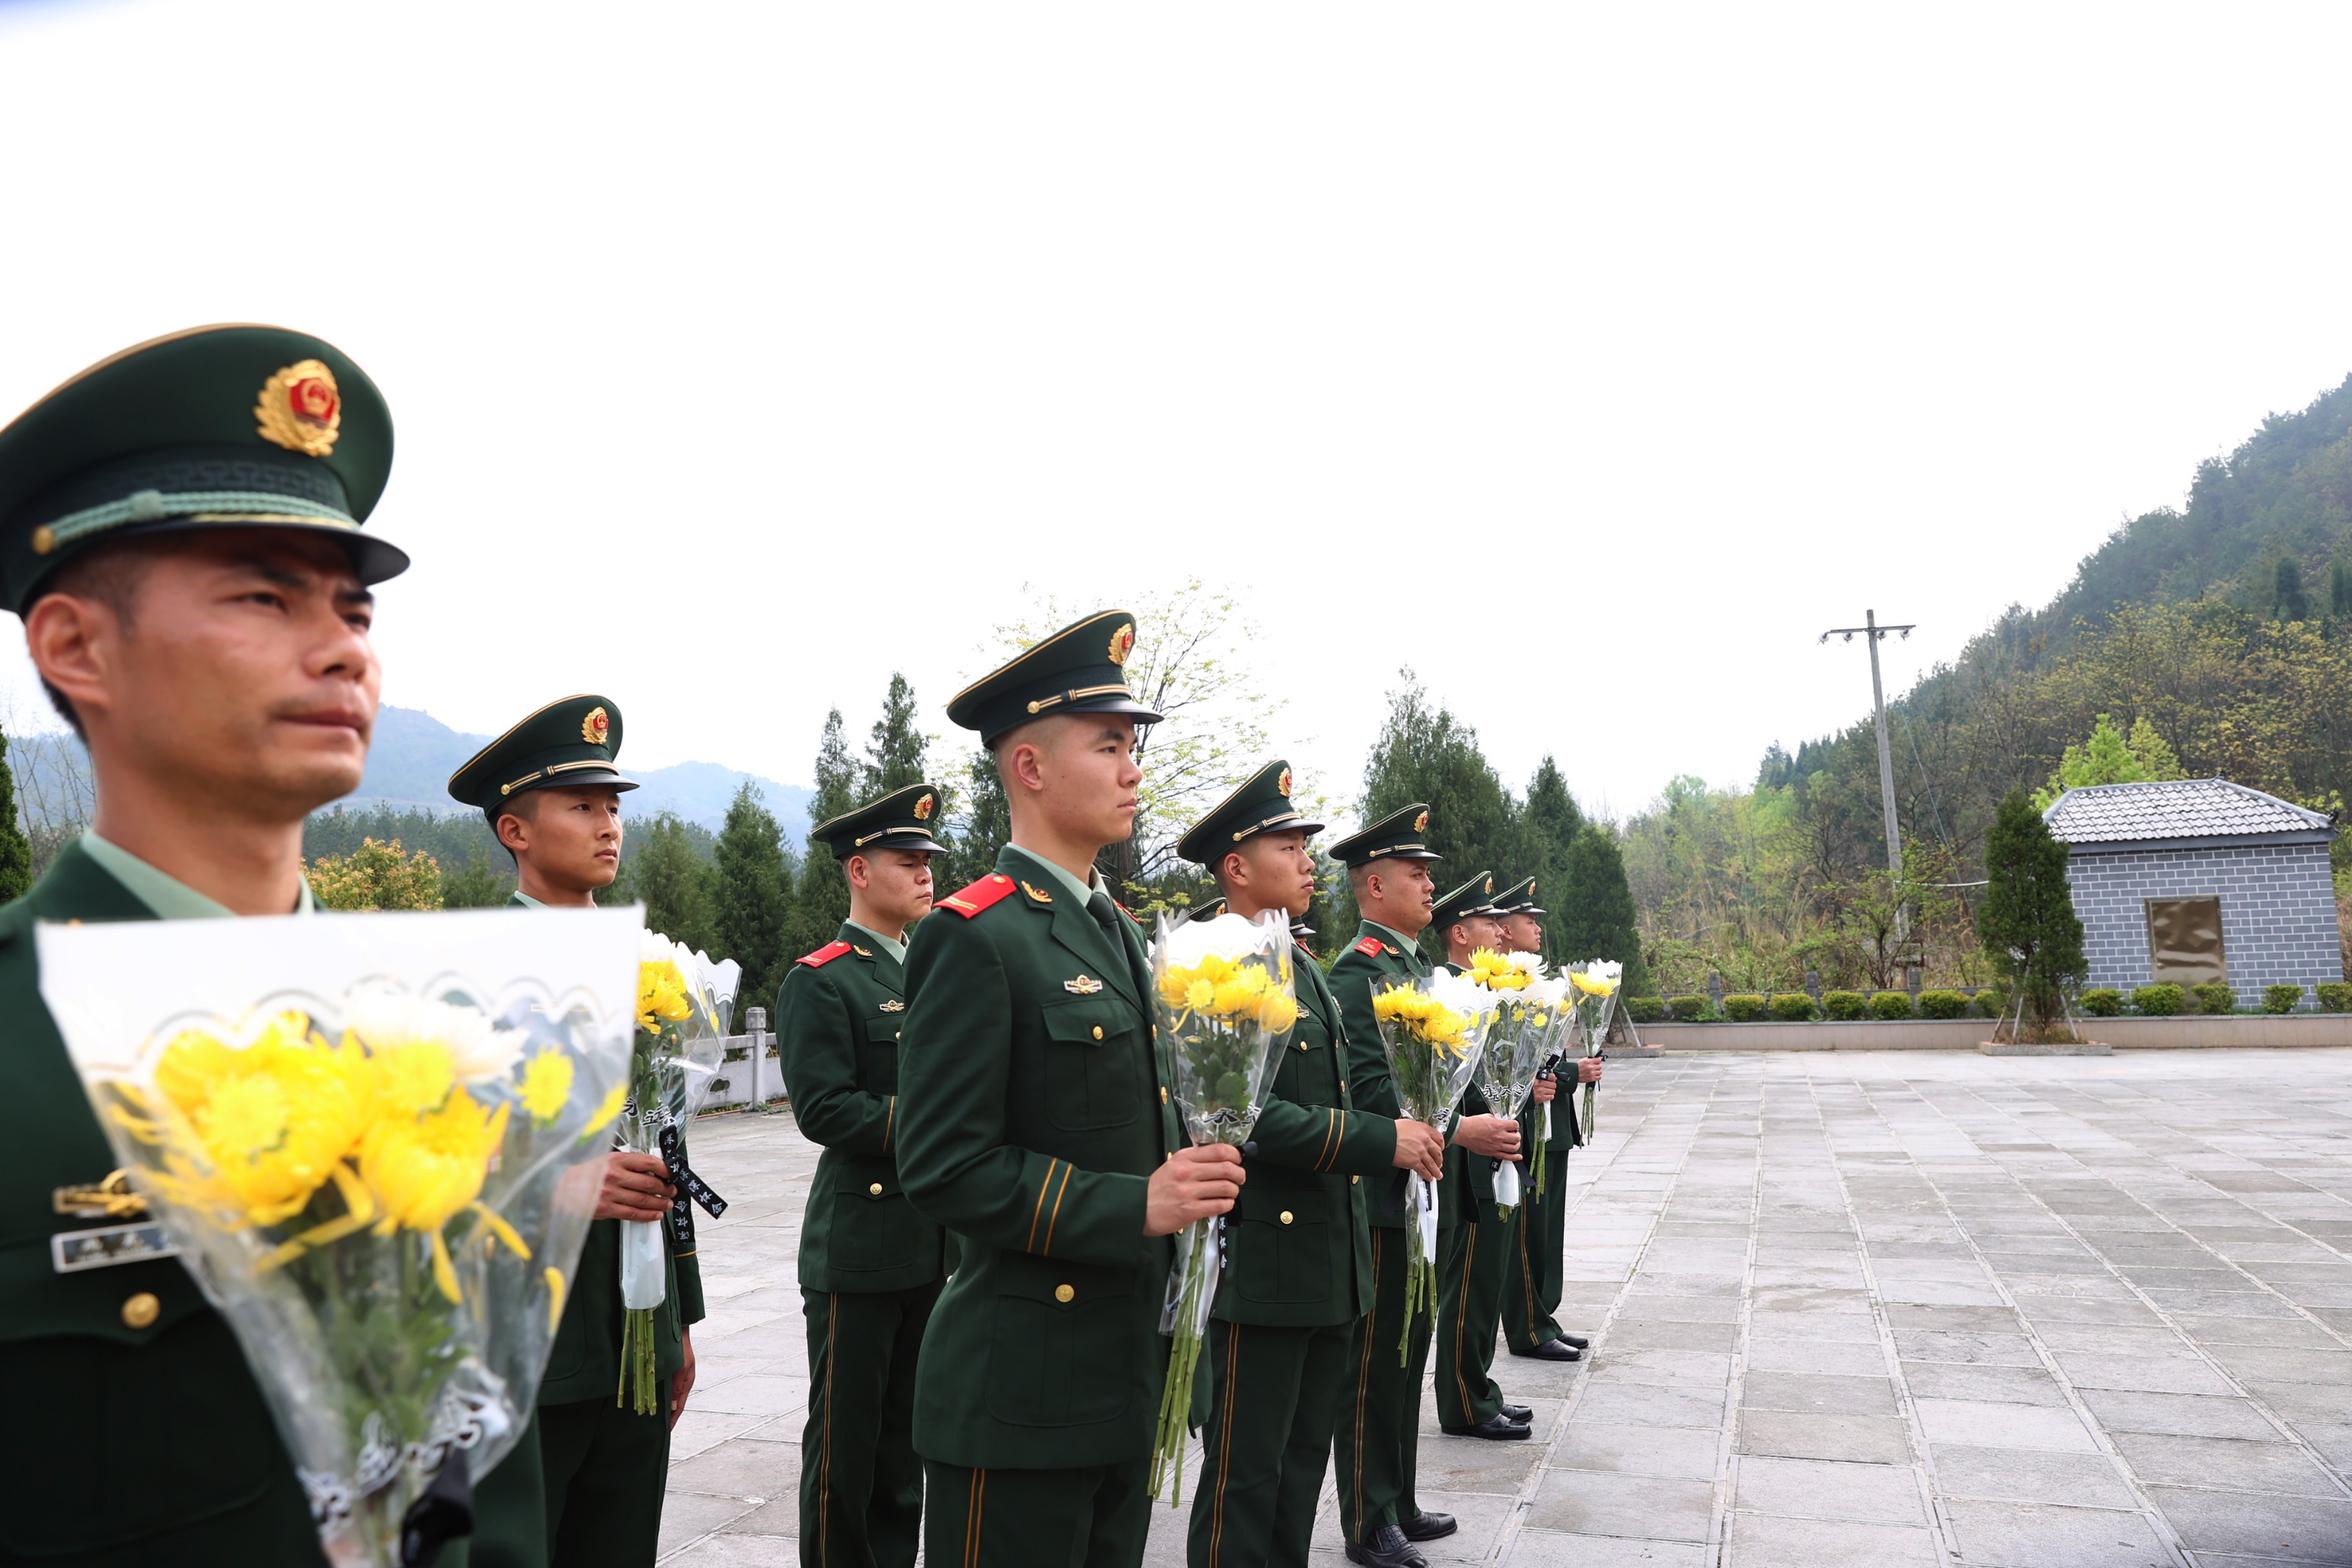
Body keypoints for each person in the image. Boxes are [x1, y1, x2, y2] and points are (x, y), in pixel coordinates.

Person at [0, 323, 407, 1564]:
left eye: (352, 606)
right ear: (75, 646)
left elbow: (480, 1499)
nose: (342, 646)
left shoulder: (423, 1027)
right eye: (261, 595)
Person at [892, 610, 1243, 1567]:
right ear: (1031, 768)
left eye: (1133, 746)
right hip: (1020, 1394)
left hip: (1120, 1377)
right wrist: (1139, 1203)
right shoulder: (976, 933)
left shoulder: (1118, 931)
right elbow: (943, 1166)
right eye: (1110, 745)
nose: (1135, 769)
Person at [446, 695, 704, 1568]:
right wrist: (555, 1188)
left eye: (615, 805)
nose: (609, 826)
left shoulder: (650, 971)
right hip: (529, 1350)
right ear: (515, 829)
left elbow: (667, 1147)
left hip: (636, 1336)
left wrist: (680, 1323)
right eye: (583, 806)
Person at [1174, 763, 1445, 1568]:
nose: (1303, 859)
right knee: (1244, 1479)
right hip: (1263, 1260)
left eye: (1302, 843)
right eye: (1286, 844)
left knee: (1298, 1473)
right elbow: (1238, 1117)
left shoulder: (1303, 968)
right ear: (1235, 865)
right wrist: (1381, 1139)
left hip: (1328, 1261)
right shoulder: (1210, 967)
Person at [777, 782, 954, 1568]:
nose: (925, 875)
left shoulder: (939, 969)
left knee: (906, 1445)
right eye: (907, 860)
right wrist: (940, 1134)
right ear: (858, 869)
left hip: (935, 1240)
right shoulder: (823, 978)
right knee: (845, 1450)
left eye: (929, 861)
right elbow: (824, 1108)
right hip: (861, 1240)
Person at [1323, 805, 1454, 1568]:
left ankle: (1399, 1496)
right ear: (1374, 884)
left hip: (1419, 1186)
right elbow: (1369, 1091)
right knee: (1374, 1363)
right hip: (1379, 1191)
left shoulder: (1411, 969)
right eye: (1417, 872)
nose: (1430, 883)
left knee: (1411, 1347)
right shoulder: (1358, 972)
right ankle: (1369, 1517)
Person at [1425, 875, 1535, 1443]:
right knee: (1467, 1283)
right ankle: (1464, 1400)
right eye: (1490, 922)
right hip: (1466, 1155)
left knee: (1487, 1278)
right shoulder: (1447, 989)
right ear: (1461, 933)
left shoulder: (1489, 988)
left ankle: (1480, 1386)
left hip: (1493, 1146)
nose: (1502, 929)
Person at [1490, 877, 1600, 1365]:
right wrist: (1569, 1072)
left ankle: (1543, 1317)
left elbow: (1543, 1059)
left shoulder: (1539, 984)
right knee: (1525, 1233)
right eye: (1527, 921)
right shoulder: (1497, 987)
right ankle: (1528, 1325)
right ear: (1504, 930)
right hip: (1524, 1125)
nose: (1536, 928)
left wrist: (1572, 1071)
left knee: (1548, 1230)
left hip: (1551, 1124)